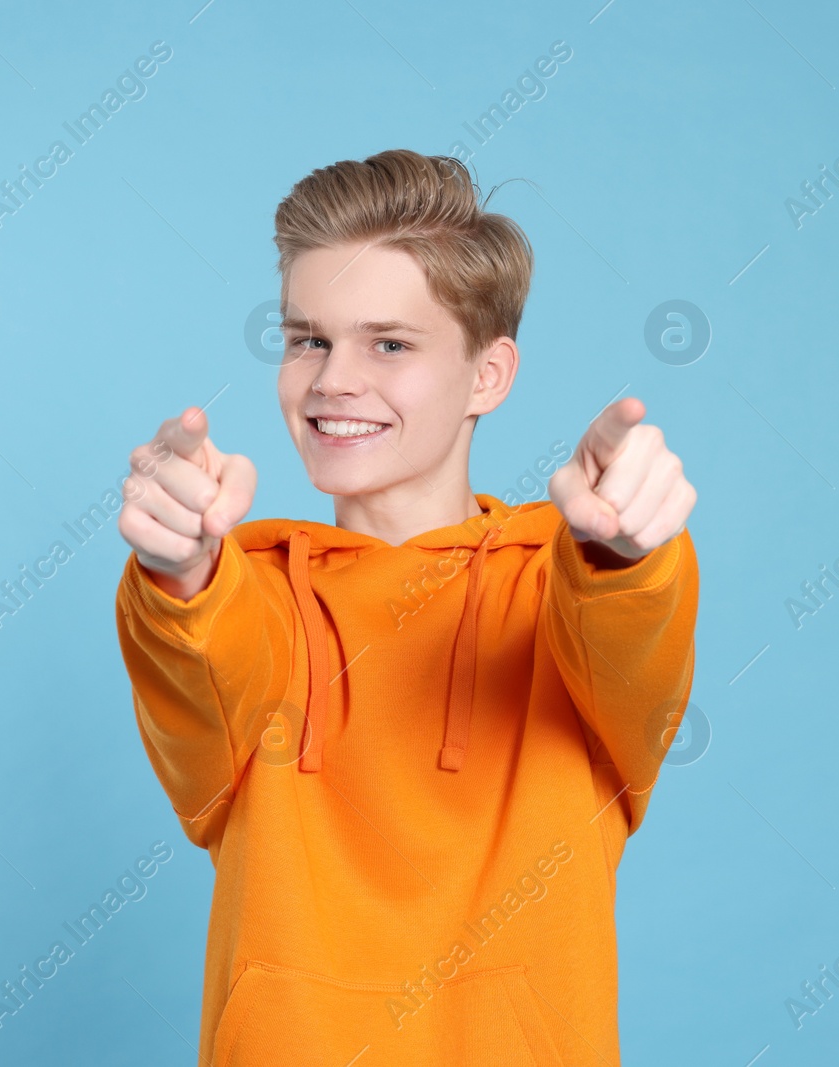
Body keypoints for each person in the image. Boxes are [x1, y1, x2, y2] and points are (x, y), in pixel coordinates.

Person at [113, 148, 700, 1065]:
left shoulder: (559, 585)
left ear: (487, 375)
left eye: (389, 343)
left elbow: (627, 641)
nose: (332, 378)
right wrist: (182, 569)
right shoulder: (249, 591)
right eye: (308, 338)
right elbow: (206, 673)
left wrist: (623, 552)